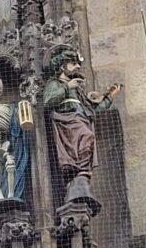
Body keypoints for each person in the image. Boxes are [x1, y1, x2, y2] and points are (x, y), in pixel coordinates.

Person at [43, 49, 121, 199]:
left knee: (88, 139)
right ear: (62, 67)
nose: (77, 67)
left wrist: (110, 97)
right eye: (73, 64)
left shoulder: (78, 90)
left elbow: (92, 109)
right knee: (87, 136)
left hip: (81, 119)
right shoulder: (55, 83)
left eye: (78, 64)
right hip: (67, 121)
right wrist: (67, 86)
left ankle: (82, 172)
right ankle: (78, 172)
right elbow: (48, 101)